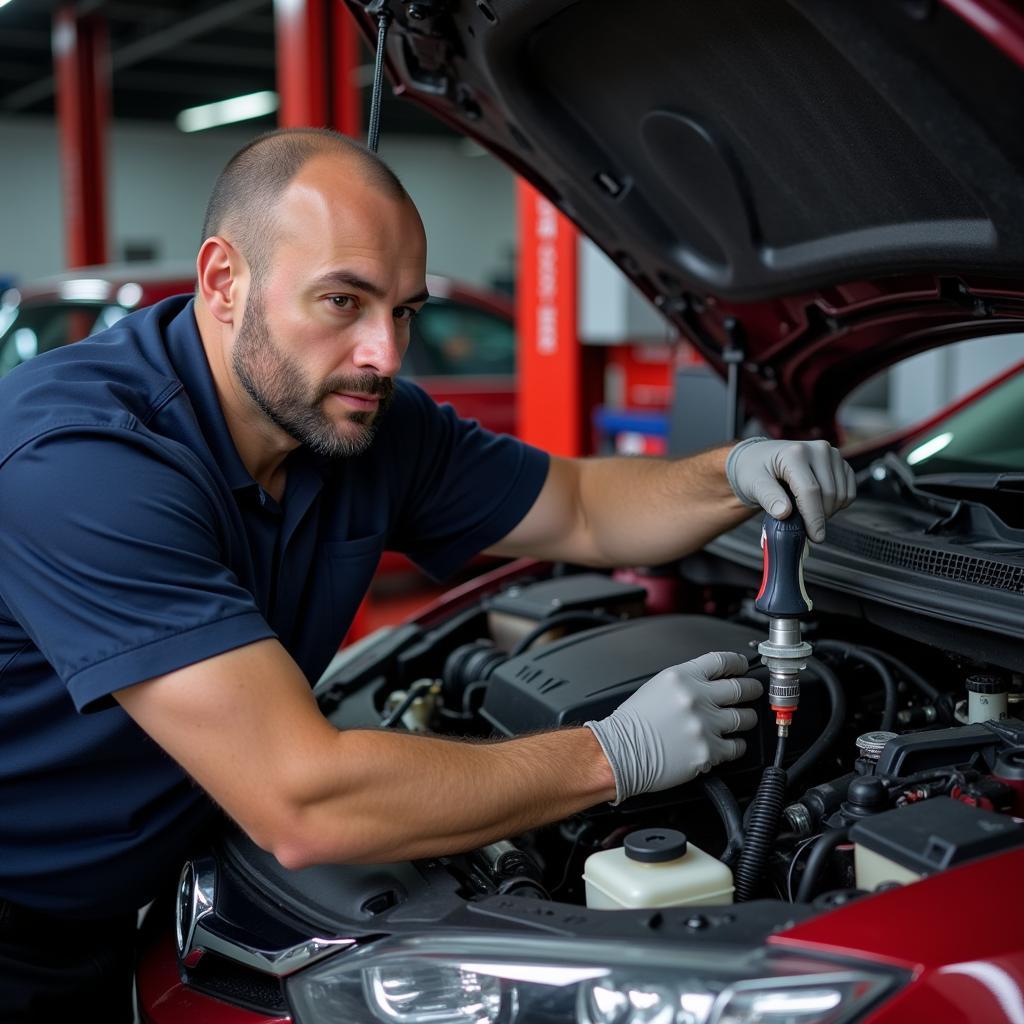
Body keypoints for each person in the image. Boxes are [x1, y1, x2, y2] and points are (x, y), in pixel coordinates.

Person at [0, 128, 855, 1018]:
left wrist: (736, 475)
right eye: (343, 301)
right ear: (223, 282)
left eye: (403, 310)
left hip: (119, 900)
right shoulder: (83, 463)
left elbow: (584, 506)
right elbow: (303, 800)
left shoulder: (361, 424)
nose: (386, 354)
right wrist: (614, 754)